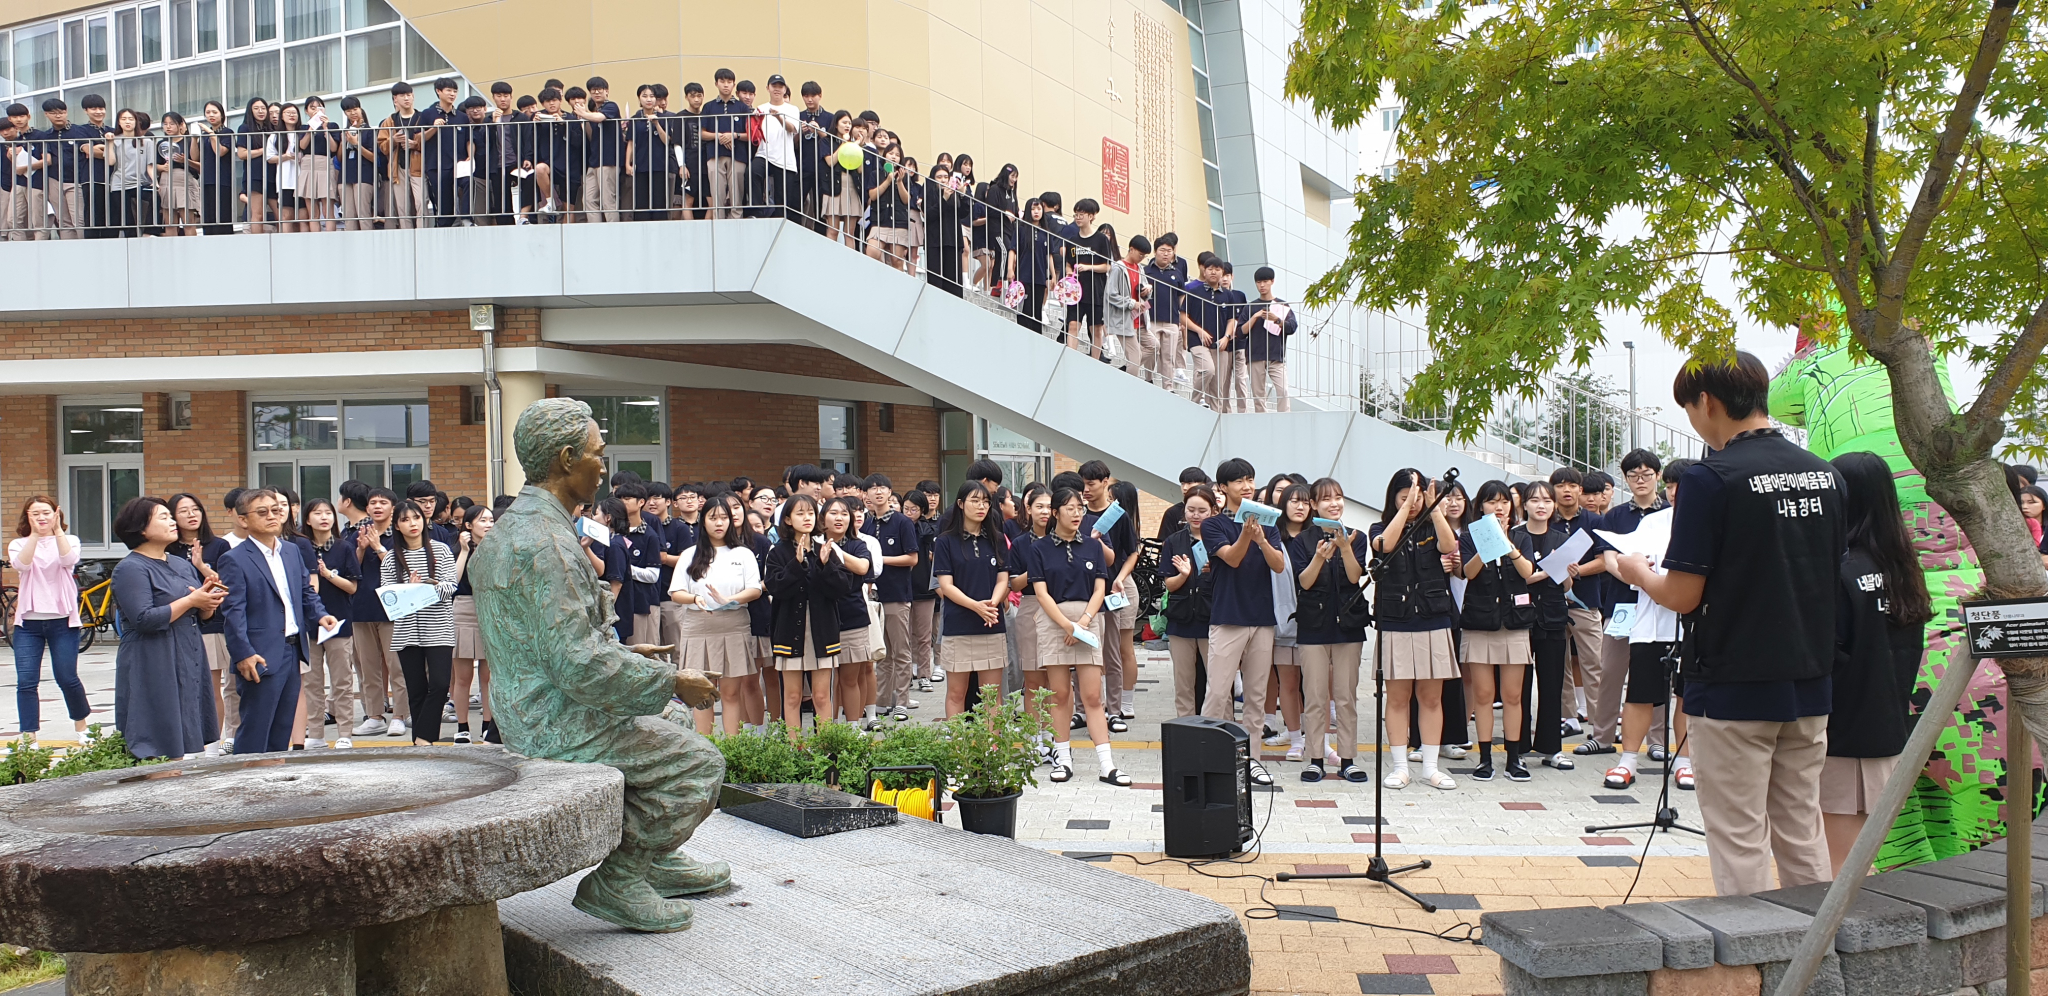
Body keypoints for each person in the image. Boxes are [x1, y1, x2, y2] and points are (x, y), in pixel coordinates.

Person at [466, 397, 726, 933]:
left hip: (530, 700)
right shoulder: (546, 544)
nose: (604, 466)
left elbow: (549, 643)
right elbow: (578, 666)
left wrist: (629, 654)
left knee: (672, 724)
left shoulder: (519, 530)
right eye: (596, 454)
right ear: (566, 459)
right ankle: (619, 878)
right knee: (697, 762)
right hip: (549, 716)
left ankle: (655, 857)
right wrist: (672, 679)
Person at [1612, 350, 1845, 897]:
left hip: (1734, 683)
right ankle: (1815, 960)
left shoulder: (1709, 479)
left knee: (1739, 836)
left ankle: (1754, 963)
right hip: (1810, 680)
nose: (1693, 419)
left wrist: (1639, 572)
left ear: (1708, 402)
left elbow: (1683, 595)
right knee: (1801, 827)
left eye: (1690, 408)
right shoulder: (1825, 475)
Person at [1821, 452, 1933, 874]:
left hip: (1840, 738)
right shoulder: (1904, 568)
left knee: (1839, 870)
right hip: (1886, 732)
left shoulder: (1840, 570)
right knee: (1858, 862)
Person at [218, 489, 337, 755]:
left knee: (282, 726)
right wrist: (243, 653)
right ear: (243, 520)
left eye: (275, 510)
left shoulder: (291, 551)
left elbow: (304, 592)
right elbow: (233, 612)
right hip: (259, 653)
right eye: (262, 512)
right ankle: (247, 784)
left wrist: (320, 614)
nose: (272, 516)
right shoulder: (234, 559)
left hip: (293, 648)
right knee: (256, 727)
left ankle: (273, 783)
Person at [1602, 459, 1694, 790]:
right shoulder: (1653, 523)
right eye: (1668, 486)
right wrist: (1639, 568)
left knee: (1686, 695)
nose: (1672, 493)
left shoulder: (1711, 522)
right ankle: (1628, 760)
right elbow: (1627, 566)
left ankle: (1684, 761)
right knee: (1640, 693)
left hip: (1692, 625)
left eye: (1678, 486)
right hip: (1650, 623)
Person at [112, 496, 226, 760]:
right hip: (153, 657)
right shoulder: (130, 568)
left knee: (182, 735)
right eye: (163, 517)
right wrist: (191, 600)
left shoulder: (179, 563)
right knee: (157, 738)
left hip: (186, 652)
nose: (173, 521)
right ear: (141, 528)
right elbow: (144, 619)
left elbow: (200, 614)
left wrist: (207, 602)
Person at [1575, 448, 1671, 760]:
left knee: (1657, 675)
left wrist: (1653, 584)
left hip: (1661, 607)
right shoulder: (1615, 516)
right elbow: (1609, 559)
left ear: (1658, 475)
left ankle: (1657, 740)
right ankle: (1602, 735)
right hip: (1623, 605)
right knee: (1610, 671)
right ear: (1625, 479)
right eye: (1633, 475)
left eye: (1646, 474)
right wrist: (1640, 579)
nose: (1640, 480)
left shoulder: (1671, 512)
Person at [1030, 486, 1128, 786]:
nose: (1077, 513)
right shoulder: (1040, 547)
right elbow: (1041, 592)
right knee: (1059, 695)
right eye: (1070, 508)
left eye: (1080, 508)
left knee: (1092, 696)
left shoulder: (1093, 547)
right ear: (1055, 513)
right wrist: (1066, 625)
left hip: (1089, 620)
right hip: (1054, 622)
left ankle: (1107, 764)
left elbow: (1100, 588)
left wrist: (1082, 623)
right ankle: (1063, 759)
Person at [1369, 468, 1459, 790]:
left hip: (1433, 617)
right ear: (1393, 496)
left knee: (1431, 697)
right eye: (1405, 495)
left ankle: (1431, 767)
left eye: (1418, 495)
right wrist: (1405, 510)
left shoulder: (1434, 524)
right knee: (1397, 697)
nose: (1414, 501)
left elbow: (1449, 547)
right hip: (1396, 619)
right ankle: (1399, 766)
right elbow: (1384, 546)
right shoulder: (1379, 527)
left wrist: (1434, 509)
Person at [1199, 458, 1283, 786]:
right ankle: (1208, 759)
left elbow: (1278, 566)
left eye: (1250, 479)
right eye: (1238, 481)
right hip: (1227, 618)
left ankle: (1253, 761)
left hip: (1262, 619)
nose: (1246, 485)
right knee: (1218, 694)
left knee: (1256, 697)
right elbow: (1231, 558)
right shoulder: (1213, 524)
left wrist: (1261, 537)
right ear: (1223, 488)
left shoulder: (1269, 524)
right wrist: (1247, 534)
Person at [1292, 479, 1371, 782]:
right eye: (1326, 499)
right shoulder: (1302, 540)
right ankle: (1315, 759)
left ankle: (1348, 759)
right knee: (1314, 696)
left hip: (1348, 625)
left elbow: (1355, 578)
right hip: (1313, 625)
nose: (1334, 503)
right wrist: (1319, 557)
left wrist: (1345, 548)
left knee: (1346, 696)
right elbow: (1305, 582)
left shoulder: (1357, 537)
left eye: (1338, 497)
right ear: (1314, 505)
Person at [1458, 480, 1533, 782]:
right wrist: (1489, 544)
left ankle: (1514, 758)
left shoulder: (1521, 537)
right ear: (1480, 508)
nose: (1498, 507)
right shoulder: (1468, 537)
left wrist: (1508, 544)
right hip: (1479, 622)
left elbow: (1528, 573)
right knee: (1484, 694)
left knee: (1513, 695)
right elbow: (1468, 572)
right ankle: (1485, 758)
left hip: (1514, 622)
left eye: (1503, 502)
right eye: (1491, 502)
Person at [669, 497, 763, 736]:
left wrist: (731, 600)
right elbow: (676, 592)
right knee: (702, 694)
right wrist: (694, 599)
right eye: (713, 518)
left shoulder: (743, 553)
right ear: (703, 521)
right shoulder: (690, 554)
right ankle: (706, 746)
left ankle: (731, 748)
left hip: (733, 623)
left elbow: (755, 589)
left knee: (732, 692)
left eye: (724, 518)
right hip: (698, 625)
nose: (719, 523)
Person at [765, 493, 856, 727]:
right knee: (793, 696)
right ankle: (795, 751)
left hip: (822, 631)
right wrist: (796, 565)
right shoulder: (778, 551)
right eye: (800, 513)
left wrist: (824, 565)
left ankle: (825, 751)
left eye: (811, 513)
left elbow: (842, 587)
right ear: (787, 519)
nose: (807, 518)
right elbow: (775, 587)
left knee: (822, 696)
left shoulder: (825, 548)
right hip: (788, 631)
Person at [10, 496, 91, 737]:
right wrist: (35, 536)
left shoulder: (70, 541)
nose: (41, 517)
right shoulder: (18, 543)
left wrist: (56, 532)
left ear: (56, 514)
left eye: (46, 512)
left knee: (67, 677)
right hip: (28, 623)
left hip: (62, 621)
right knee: (26, 681)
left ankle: (82, 726)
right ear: (27, 517)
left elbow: (69, 560)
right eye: (35, 513)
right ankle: (29, 736)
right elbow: (22, 565)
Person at [935, 483, 1010, 718]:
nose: (981, 506)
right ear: (960, 504)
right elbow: (945, 585)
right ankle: (960, 752)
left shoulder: (997, 539)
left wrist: (991, 604)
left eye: (986, 501)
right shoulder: (945, 541)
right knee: (956, 694)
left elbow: (1003, 580)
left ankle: (992, 751)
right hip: (958, 625)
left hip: (991, 623)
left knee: (992, 695)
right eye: (975, 500)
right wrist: (976, 606)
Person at [1080, 463, 1141, 732]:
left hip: (1111, 593)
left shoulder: (1118, 515)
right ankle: (1083, 710)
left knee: (1112, 653)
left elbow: (1132, 552)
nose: (1086, 489)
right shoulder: (1077, 514)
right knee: (1081, 654)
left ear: (1105, 482)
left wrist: (1120, 577)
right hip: (1080, 594)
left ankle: (1114, 710)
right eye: (1083, 483)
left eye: (1091, 484)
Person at [302, 500, 358, 749]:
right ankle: (315, 733)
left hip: (339, 622)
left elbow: (353, 587)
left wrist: (329, 575)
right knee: (312, 681)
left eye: (328, 513)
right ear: (307, 519)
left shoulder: (344, 547)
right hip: (308, 624)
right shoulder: (299, 548)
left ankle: (345, 732)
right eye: (317, 513)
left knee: (342, 680)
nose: (324, 517)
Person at [864, 475, 920, 721]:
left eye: (882, 488)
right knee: (879, 652)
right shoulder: (864, 524)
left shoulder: (902, 522)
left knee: (901, 650)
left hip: (897, 595)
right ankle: (883, 700)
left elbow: (912, 558)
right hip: (872, 598)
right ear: (866, 494)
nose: (878, 492)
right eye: (873, 488)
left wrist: (880, 560)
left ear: (890, 492)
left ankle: (903, 701)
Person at [821, 497, 880, 726]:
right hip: (822, 619)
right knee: (827, 681)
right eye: (833, 513)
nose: (840, 518)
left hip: (853, 617)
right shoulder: (812, 544)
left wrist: (834, 549)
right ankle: (829, 728)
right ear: (822, 518)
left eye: (844, 514)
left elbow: (863, 567)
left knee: (850, 678)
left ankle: (853, 727)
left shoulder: (857, 545)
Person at [450, 505, 497, 744]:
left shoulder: (498, 549)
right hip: (464, 609)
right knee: (463, 676)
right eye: (482, 520)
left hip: (491, 611)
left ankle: (489, 726)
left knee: (488, 677)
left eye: (491, 520)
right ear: (468, 525)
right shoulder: (456, 549)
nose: (488, 524)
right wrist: (465, 550)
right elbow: (452, 582)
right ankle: (462, 726)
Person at [1242, 267, 1298, 412]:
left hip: (1276, 356)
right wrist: (1255, 317)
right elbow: (1240, 331)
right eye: (1259, 282)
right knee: (1258, 395)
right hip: (1255, 355)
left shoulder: (1282, 305)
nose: (1262, 285)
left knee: (1283, 391)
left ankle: (1284, 419)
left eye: (1265, 281)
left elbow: (1292, 327)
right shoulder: (1251, 307)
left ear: (1272, 281)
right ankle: (1262, 421)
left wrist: (1277, 320)